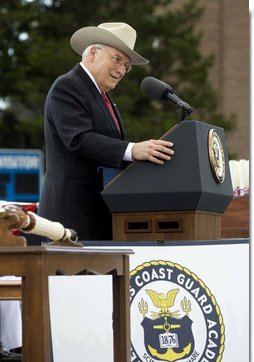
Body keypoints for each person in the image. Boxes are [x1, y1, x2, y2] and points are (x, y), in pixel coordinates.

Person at [38, 22, 174, 241]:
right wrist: (133, 149)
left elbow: (108, 151)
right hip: (71, 218)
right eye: (117, 59)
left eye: (126, 66)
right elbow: (79, 139)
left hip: (99, 216)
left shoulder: (103, 97)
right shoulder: (67, 86)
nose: (121, 70)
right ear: (93, 53)